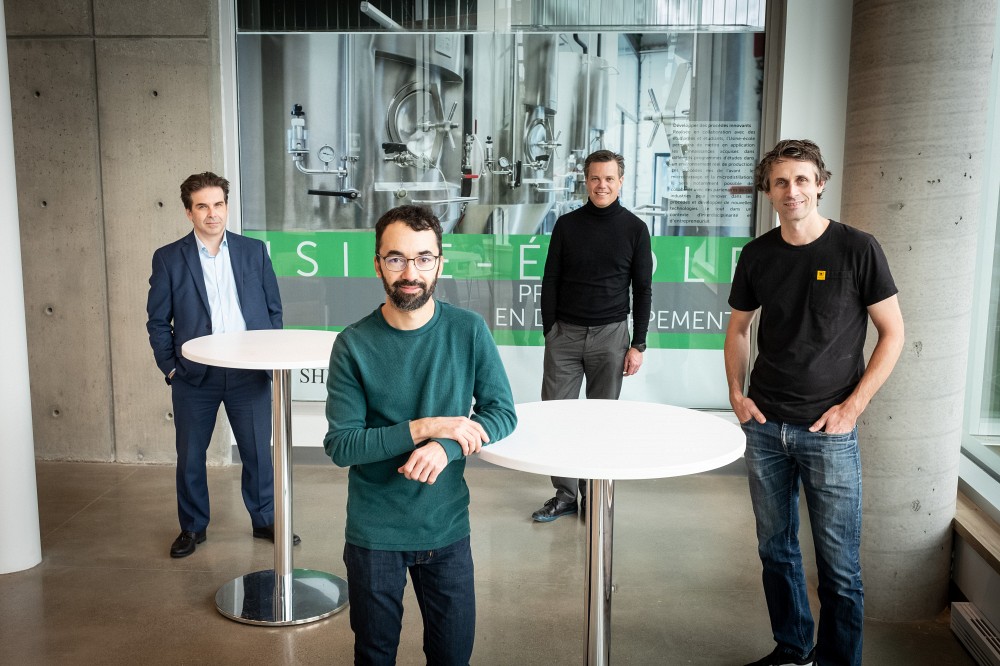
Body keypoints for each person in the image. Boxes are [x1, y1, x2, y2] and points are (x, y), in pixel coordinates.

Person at [725, 140, 905, 666]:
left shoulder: (857, 248)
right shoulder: (758, 254)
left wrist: (851, 410)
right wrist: (737, 395)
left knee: (840, 568)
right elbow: (739, 329)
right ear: (769, 191)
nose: (792, 191)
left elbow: (892, 334)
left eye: (802, 180)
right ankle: (793, 648)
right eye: (781, 182)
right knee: (775, 552)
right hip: (764, 427)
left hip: (830, 433)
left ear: (820, 183)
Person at [324, 204, 517, 665]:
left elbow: (501, 413)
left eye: (423, 258)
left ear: (439, 263)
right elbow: (342, 445)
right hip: (375, 534)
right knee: (375, 655)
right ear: (377, 264)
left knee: (452, 656)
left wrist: (445, 447)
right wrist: (425, 427)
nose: (410, 272)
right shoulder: (353, 344)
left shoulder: (467, 330)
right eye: (396, 258)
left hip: (446, 527)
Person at [146, 172, 296, 558]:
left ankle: (264, 520)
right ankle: (193, 527)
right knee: (191, 456)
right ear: (188, 212)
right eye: (202, 206)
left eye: (218, 204)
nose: (212, 214)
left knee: (259, 454)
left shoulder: (253, 251)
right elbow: (158, 321)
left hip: (249, 372)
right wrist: (171, 367)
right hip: (194, 375)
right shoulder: (168, 258)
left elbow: (273, 310)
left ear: (227, 207)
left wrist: (268, 356)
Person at [531, 149, 653, 522]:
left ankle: (595, 494)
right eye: (595, 178)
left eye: (609, 178)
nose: (602, 185)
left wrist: (638, 343)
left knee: (602, 423)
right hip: (564, 336)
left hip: (611, 337)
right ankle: (566, 495)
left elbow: (643, 289)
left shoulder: (634, 229)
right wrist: (551, 329)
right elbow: (550, 279)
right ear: (585, 181)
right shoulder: (567, 226)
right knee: (558, 418)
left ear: (620, 181)